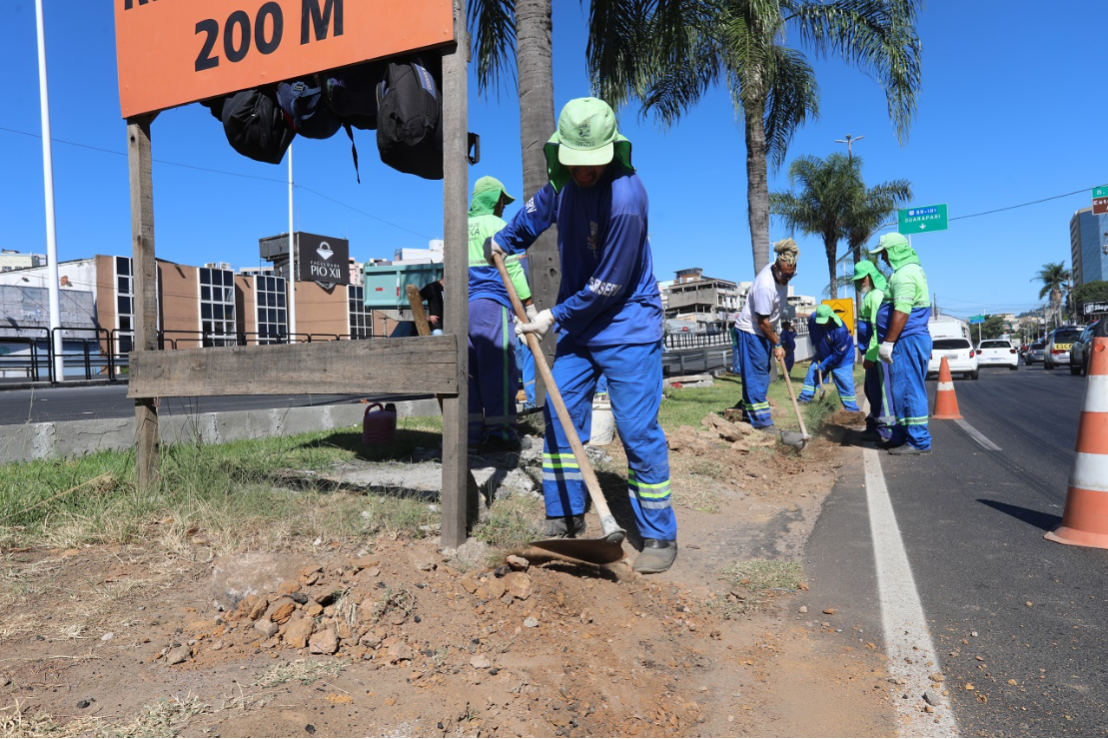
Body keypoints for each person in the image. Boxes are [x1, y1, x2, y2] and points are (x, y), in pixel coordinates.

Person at [486, 97, 677, 574]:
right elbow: (532, 217)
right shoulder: (562, 181)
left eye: (592, 163)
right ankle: (566, 511)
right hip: (579, 326)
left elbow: (609, 285)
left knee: (636, 430)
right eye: (575, 163)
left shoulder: (628, 200)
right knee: (559, 411)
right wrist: (504, 241)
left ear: (613, 151)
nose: (583, 172)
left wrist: (551, 316)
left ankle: (657, 533)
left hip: (627, 324)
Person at [466, 176, 533, 451]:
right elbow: (514, 269)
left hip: (462, 309)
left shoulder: (457, 226)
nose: (504, 205)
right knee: (498, 369)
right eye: (503, 200)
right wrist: (528, 305)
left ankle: (470, 437)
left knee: (469, 373)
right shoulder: (498, 226)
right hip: (491, 305)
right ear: (495, 199)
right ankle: (501, 434)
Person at [872, 233, 932, 455]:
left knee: (909, 389)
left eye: (885, 253)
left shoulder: (905, 275)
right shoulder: (906, 271)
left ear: (894, 251)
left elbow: (902, 311)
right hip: (904, 341)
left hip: (906, 340)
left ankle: (918, 440)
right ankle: (901, 435)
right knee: (900, 390)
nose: (883, 259)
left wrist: (888, 342)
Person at [733, 239, 799, 428]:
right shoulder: (765, 287)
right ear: (776, 268)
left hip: (762, 330)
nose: (787, 280)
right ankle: (762, 423)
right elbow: (763, 322)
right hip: (752, 331)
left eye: (791, 276)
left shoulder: (780, 269)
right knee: (757, 374)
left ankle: (748, 414)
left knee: (759, 371)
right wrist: (777, 344)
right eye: (785, 276)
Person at [853, 261, 894, 442]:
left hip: (876, 354)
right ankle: (874, 425)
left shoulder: (876, 295)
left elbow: (878, 329)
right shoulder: (870, 296)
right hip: (870, 354)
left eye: (863, 277)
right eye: (858, 279)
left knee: (882, 393)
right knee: (872, 391)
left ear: (870, 276)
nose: (861, 282)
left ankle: (886, 430)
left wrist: (870, 354)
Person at [797, 305, 859, 411]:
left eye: (824, 321)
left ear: (831, 317)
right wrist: (814, 346)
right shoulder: (813, 319)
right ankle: (804, 399)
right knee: (812, 374)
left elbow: (838, 354)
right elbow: (812, 333)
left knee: (845, 383)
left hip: (842, 359)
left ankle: (851, 410)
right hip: (821, 354)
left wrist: (825, 363)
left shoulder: (840, 330)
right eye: (820, 321)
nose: (822, 323)